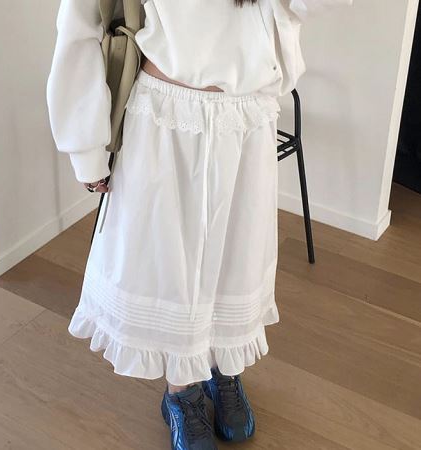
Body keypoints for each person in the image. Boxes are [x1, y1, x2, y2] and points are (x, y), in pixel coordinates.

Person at [46, 0, 352, 448]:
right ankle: (181, 391)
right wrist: (86, 148)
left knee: (237, 258)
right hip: (167, 118)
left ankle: (223, 367)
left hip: (248, 116)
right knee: (171, 268)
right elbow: (80, 25)